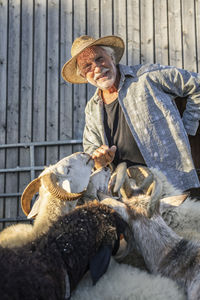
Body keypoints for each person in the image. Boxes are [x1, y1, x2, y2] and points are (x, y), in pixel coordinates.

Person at [61, 35, 200, 194]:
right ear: (83, 76)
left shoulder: (146, 76)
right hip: (131, 197)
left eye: (100, 59)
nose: (97, 68)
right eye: (87, 66)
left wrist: (188, 128)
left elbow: (197, 85)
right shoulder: (92, 108)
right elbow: (92, 148)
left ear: (112, 57)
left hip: (175, 184)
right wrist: (99, 160)